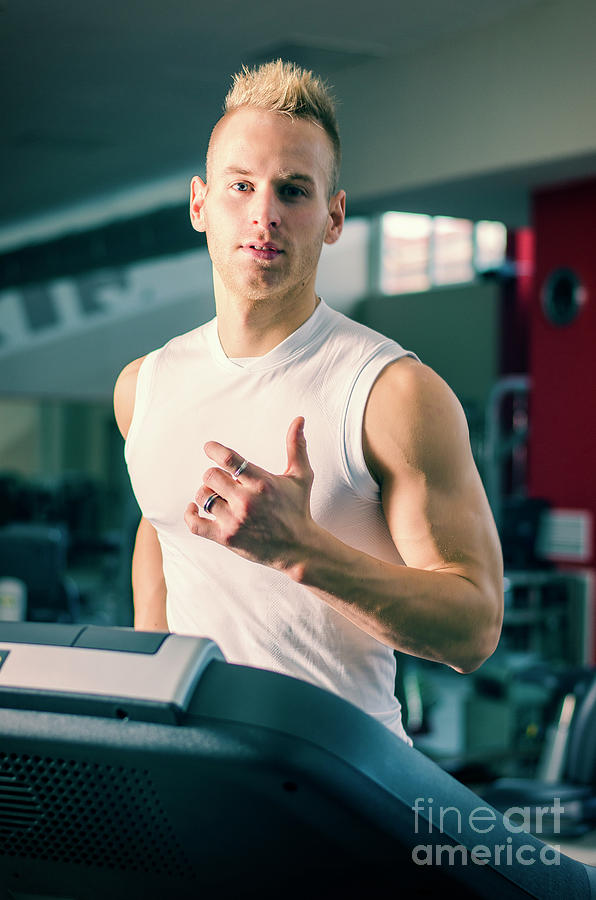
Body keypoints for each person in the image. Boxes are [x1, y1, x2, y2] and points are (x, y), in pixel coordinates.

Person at [114, 60, 503, 743]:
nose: (264, 213)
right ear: (201, 203)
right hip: (194, 776)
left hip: (341, 784)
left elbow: (474, 628)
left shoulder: (393, 394)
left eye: (294, 191)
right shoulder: (143, 386)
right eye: (241, 186)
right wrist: (150, 703)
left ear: (333, 217)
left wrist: (303, 551)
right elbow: (160, 528)